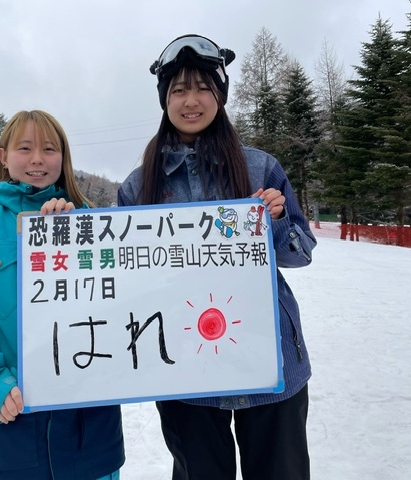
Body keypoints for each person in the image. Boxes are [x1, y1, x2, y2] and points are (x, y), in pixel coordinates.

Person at [117, 34, 317, 480]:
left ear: (220, 95)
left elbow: (301, 254)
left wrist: (278, 221)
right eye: (179, 90)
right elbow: (125, 274)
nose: (192, 100)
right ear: (165, 100)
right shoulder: (138, 186)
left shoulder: (260, 167)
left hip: (272, 361)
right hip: (184, 369)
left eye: (203, 87)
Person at [0, 110, 124, 480]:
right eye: (25, 148)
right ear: (3, 156)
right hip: (8, 418)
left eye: (49, 149)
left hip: (88, 427)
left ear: (63, 157)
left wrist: (71, 235)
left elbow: (124, 305)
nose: (37, 159)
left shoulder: (90, 219)